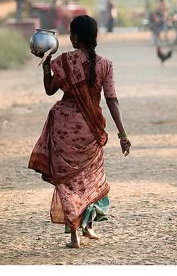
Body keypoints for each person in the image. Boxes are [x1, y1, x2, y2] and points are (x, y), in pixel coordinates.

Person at [28, 15, 131, 248]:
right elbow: (112, 100)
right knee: (90, 178)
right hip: (90, 129)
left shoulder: (63, 61)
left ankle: (74, 235)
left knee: (67, 181)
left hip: (64, 127)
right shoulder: (106, 64)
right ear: (95, 38)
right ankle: (89, 226)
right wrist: (122, 135)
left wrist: (46, 63)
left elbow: (49, 90)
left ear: (74, 38)